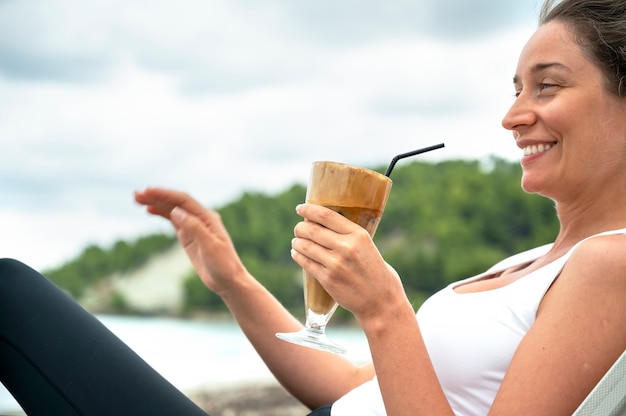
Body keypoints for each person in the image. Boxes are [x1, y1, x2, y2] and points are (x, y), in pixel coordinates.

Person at [1, 0, 626, 414]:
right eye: (516, 89)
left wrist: (384, 309)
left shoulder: (609, 264)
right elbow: (358, 390)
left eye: (548, 85)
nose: (513, 115)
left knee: (8, 295)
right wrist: (234, 280)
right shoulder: (538, 261)